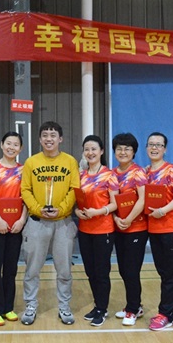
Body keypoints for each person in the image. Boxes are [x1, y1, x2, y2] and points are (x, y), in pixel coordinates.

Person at [20, 121, 80, 325]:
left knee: (64, 270)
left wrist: (61, 209)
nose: (49, 138)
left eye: (53, 135)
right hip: (37, 223)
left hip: (63, 223)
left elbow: (74, 189)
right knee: (32, 269)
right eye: (45, 135)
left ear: (60, 139)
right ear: (39, 139)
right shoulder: (31, 162)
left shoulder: (70, 161)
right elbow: (25, 190)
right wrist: (38, 209)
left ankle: (64, 306)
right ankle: (30, 305)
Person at [0, 132, 28, 327]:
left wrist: (22, 220)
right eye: (8, 143)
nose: (11, 147)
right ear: (2, 145)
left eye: (15, 144)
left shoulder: (23, 170)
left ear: (20, 148)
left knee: (11, 269)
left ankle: (8, 307)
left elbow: (27, 197)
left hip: (15, 227)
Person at [75, 135, 118, 327]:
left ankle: (102, 308)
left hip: (103, 230)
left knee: (101, 272)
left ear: (101, 151)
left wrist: (98, 212)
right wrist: (77, 212)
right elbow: (77, 202)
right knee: (90, 271)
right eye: (87, 149)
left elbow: (115, 204)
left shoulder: (109, 175)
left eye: (93, 149)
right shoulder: (81, 176)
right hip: (85, 230)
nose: (90, 152)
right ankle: (97, 304)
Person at [144, 132, 173, 331]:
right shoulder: (145, 172)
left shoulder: (172, 170)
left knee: (170, 273)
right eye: (151, 144)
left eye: (158, 145)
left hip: (172, 228)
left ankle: (165, 314)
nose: (154, 148)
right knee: (163, 272)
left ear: (165, 149)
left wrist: (163, 210)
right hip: (154, 229)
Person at [111, 132, 148, 326]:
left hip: (137, 228)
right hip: (118, 228)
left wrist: (128, 219)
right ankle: (134, 305)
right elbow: (110, 201)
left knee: (132, 270)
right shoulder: (112, 174)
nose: (123, 152)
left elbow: (142, 199)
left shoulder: (138, 172)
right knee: (124, 270)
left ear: (134, 152)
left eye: (127, 149)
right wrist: (117, 218)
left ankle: (132, 309)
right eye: (119, 149)